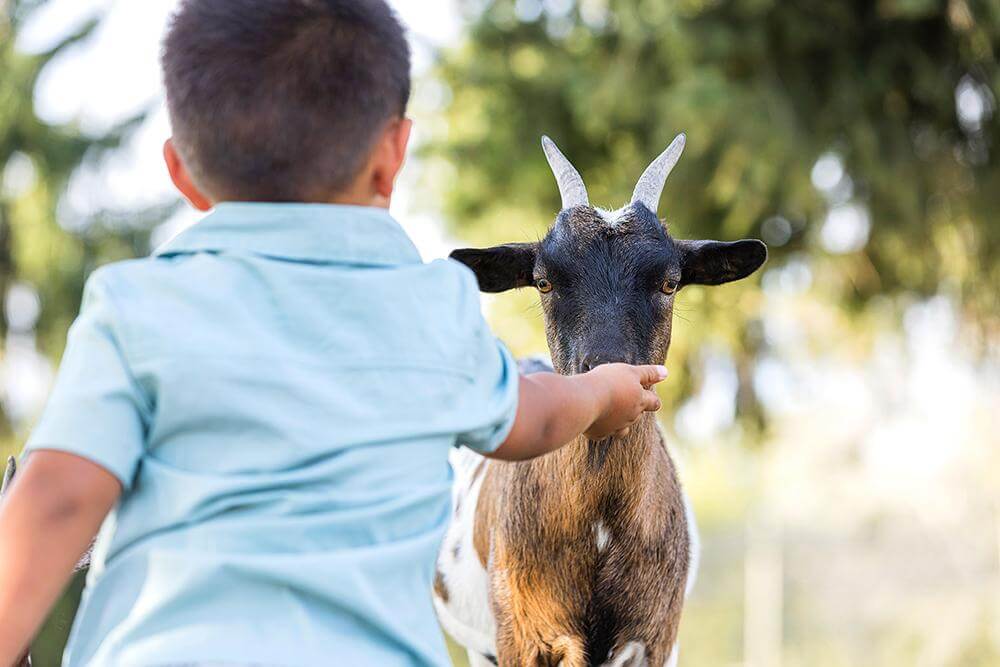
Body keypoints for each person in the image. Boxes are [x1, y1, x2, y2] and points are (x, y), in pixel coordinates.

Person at [0, 1, 668, 664]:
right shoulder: (427, 306)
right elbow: (534, 418)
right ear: (392, 155)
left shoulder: (133, 308)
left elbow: (53, 503)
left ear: (181, 173)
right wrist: (600, 392)